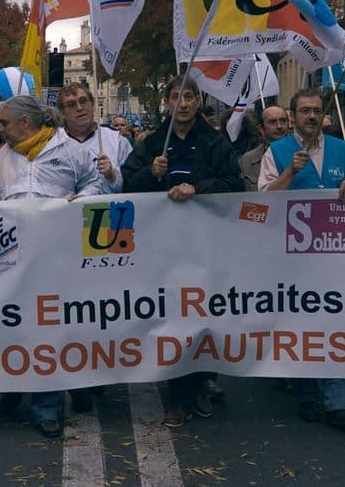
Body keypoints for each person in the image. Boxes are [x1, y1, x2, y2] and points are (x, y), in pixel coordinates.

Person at [0, 95, 104, 439]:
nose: (0, 130)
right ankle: (18, 384)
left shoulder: (70, 150)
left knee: (53, 329)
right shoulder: (2, 158)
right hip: (14, 260)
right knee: (18, 327)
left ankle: (49, 405)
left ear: (25, 123)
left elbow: (96, 184)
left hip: (58, 258)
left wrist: (83, 199)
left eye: (4, 123)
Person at [122, 76, 243, 428]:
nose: (184, 104)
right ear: (167, 102)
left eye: (189, 97)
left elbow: (234, 184)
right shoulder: (152, 143)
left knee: (202, 314)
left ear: (199, 101)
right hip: (163, 245)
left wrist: (197, 188)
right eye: (177, 97)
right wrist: (150, 172)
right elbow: (127, 184)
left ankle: (200, 383)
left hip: (205, 243)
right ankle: (179, 397)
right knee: (173, 316)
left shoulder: (215, 142)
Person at [260, 87, 345, 431]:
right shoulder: (277, 152)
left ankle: (339, 402)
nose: (312, 116)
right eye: (305, 111)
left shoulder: (343, 149)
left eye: (317, 110)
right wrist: (289, 172)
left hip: (337, 253)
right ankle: (307, 393)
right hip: (294, 256)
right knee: (301, 324)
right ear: (293, 117)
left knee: (340, 324)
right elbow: (263, 202)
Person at [60, 84, 132, 194]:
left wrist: (112, 175)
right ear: (62, 113)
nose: (79, 108)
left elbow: (134, 186)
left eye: (83, 101)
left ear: (93, 105)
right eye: (71, 105)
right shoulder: (53, 144)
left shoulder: (118, 141)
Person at [240, 105, 290, 191]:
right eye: (272, 122)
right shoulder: (247, 160)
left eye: (283, 121)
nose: (279, 126)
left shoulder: (300, 153)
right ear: (261, 128)